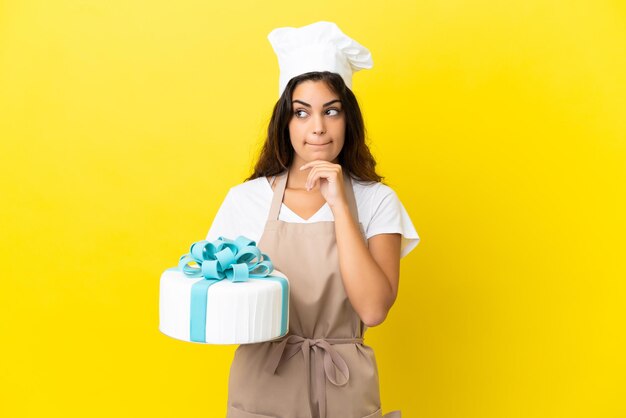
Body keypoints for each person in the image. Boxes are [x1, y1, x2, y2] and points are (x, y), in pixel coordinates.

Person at [206, 21, 420, 418]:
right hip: (263, 384)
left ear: (347, 119)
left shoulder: (377, 202)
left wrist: (340, 205)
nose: (317, 127)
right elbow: (219, 306)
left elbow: (373, 310)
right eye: (301, 112)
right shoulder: (246, 201)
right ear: (285, 121)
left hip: (345, 388)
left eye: (331, 111)